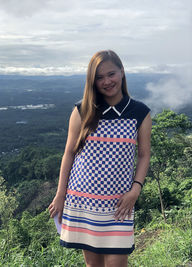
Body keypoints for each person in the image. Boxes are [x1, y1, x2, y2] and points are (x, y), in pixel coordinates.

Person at [49, 50, 152, 267]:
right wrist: (60, 195)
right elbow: (69, 153)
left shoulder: (140, 112)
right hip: (83, 200)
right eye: (99, 77)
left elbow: (143, 155)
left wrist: (136, 189)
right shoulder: (82, 110)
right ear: (92, 81)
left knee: (116, 262)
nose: (107, 81)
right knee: (92, 265)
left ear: (122, 72)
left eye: (111, 74)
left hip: (119, 204)